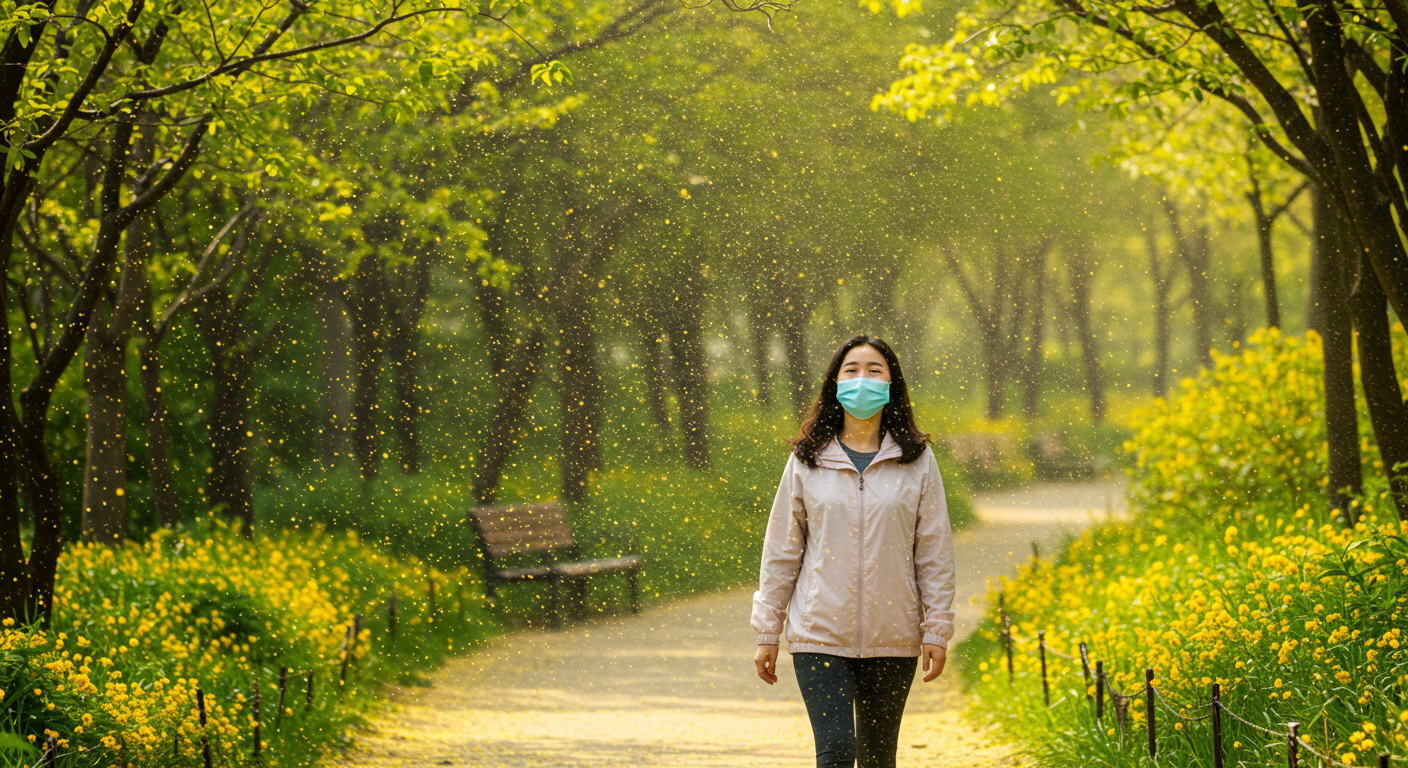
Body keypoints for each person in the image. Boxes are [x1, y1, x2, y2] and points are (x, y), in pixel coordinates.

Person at [751, 333, 956, 768]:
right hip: (818, 634)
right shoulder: (807, 459)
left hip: (893, 636)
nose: (862, 379)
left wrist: (936, 627)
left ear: (891, 385)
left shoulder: (916, 460)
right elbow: (782, 551)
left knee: (879, 759)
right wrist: (768, 630)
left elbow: (933, 552)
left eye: (874, 370)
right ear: (835, 385)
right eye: (851, 370)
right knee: (837, 752)